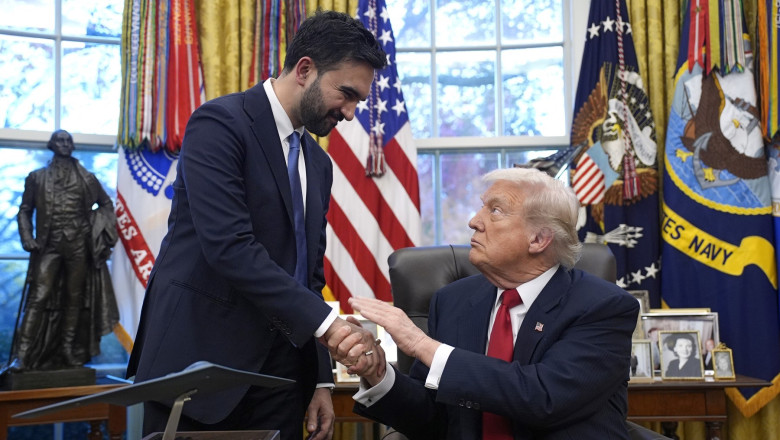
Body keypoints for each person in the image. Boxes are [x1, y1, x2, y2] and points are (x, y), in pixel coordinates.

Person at [126, 10, 387, 440]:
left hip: (282, 378)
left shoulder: (319, 164)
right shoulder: (220, 124)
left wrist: (319, 379)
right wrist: (330, 326)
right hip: (202, 365)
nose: (351, 112)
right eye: (346, 93)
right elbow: (229, 246)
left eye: (358, 99)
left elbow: (308, 273)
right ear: (305, 69)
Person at [341, 167, 640, 439]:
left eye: (495, 210)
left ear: (538, 239)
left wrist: (422, 345)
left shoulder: (604, 307)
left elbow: (544, 398)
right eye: (481, 206)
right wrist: (377, 373)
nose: (474, 221)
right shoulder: (453, 301)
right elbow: (431, 418)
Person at [9, 129, 119, 372]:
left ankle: (69, 351)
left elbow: (106, 204)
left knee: (74, 299)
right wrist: (27, 237)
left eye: (69, 140)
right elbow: (24, 210)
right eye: (61, 140)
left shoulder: (87, 178)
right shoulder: (36, 178)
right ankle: (23, 355)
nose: (66, 144)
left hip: (78, 245)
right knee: (38, 297)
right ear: (52, 144)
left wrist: (96, 226)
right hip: (49, 246)